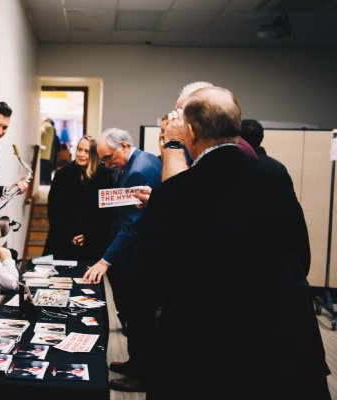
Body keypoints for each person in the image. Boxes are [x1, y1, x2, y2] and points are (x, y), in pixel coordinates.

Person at [143, 86, 331, 399]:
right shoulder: (275, 175)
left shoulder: (177, 192)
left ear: (190, 131)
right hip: (271, 336)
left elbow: (150, 276)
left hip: (202, 340)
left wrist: (169, 166)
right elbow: (301, 256)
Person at [82, 128, 162, 392]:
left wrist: (105, 260)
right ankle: (135, 362)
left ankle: (144, 374)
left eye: (108, 157)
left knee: (140, 317)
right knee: (134, 315)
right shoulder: (144, 160)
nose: (106, 164)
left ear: (124, 146)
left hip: (141, 256)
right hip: (134, 253)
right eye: (103, 160)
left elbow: (132, 225)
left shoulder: (139, 170)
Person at [43, 135, 112, 261]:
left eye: (86, 151)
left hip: (93, 243)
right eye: (79, 149)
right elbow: (54, 211)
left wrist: (88, 235)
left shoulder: (105, 176)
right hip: (63, 241)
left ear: (94, 154)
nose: (81, 154)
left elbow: (106, 214)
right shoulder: (62, 175)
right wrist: (70, 235)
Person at [241, 118, 294, 187]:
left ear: (238, 138)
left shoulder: (230, 166)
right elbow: (288, 197)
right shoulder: (278, 167)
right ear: (262, 137)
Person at [39, 118, 55, 185]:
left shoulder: (42, 129)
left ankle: (42, 181)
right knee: (47, 169)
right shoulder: (52, 130)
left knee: (42, 169)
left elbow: (39, 139)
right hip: (49, 154)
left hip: (42, 153)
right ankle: (47, 181)